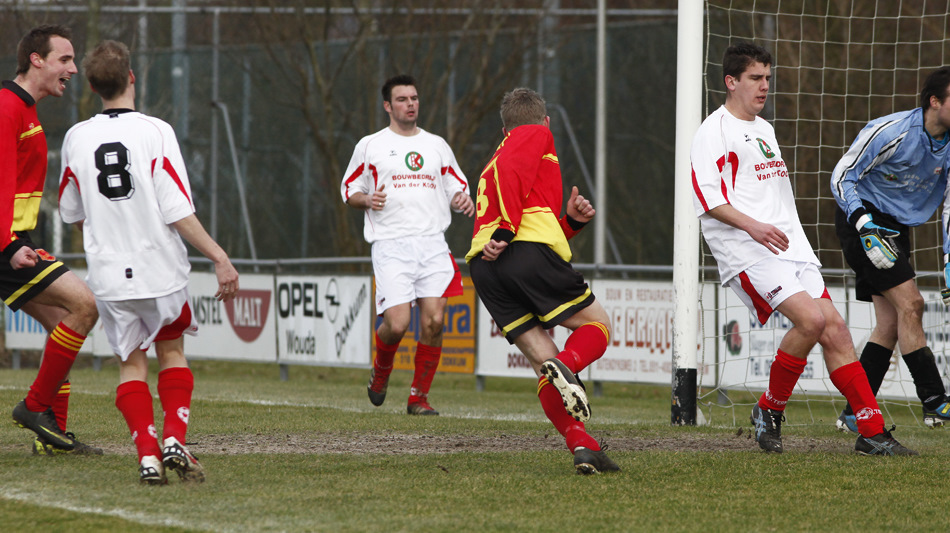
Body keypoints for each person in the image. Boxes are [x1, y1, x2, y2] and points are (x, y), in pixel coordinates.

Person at [691, 42, 915, 455]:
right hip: (748, 249)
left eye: (767, 78)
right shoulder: (713, 131)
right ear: (731, 82)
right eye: (755, 78)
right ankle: (769, 409)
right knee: (811, 321)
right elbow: (708, 199)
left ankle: (872, 431)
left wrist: (786, 236)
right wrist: (755, 227)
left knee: (836, 329)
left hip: (790, 248)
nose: (764, 86)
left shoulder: (765, 129)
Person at [58, 40, 240, 484]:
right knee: (172, 352)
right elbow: (176, 209)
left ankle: (147, 457)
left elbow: (72, 211)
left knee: (130, 364)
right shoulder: (156, 131)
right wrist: (219, 256)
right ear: (131, 77)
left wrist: (108, 232)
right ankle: (175, 438)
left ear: (93, 87)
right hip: (159, 269)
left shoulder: (75, 137)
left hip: (108, 276)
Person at [466, 87, 620, 475]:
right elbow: (516, 198)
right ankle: (566, 365)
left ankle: (583, 446)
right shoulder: (533, 135)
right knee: (598, 325)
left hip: (486, 266)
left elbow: (534, 223)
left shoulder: (494, 159)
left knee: (542, 360)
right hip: (515, 249)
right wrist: (506, 230)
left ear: (503, 130)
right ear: (545, 122)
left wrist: (571, 223)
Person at [341, 74, 474, 416]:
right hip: (391, 245)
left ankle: (418, 398)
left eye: (414, 98)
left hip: (432, 244)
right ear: (388, 106)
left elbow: (456, 186)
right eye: (402, 99)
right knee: (398, 323)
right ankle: (381, 370)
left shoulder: (436, 145)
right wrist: (367, 199)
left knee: (434, 322)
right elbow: (349, 190)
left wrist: (461, 199)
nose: (410, 104)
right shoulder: (370, 145)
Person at [830, 67, 950, 432]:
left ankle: (855, 412)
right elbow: (841, 175)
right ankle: (935, 399)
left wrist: (949, 261)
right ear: (935, 101)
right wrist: (863, 224)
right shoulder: (892, 131)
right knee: (912, 304)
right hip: (862, 219)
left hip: (897, 227)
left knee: (890, 323)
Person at [2, 24, 102, 455]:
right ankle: (35, 408)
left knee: (62, 321)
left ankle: (51, 434)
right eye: (65, 59)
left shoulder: (23, 108)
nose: (74, 69)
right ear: (36, 60)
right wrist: (9, 245)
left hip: (12, 239)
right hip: (5, 244)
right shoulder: (7, 107)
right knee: (84, 306)